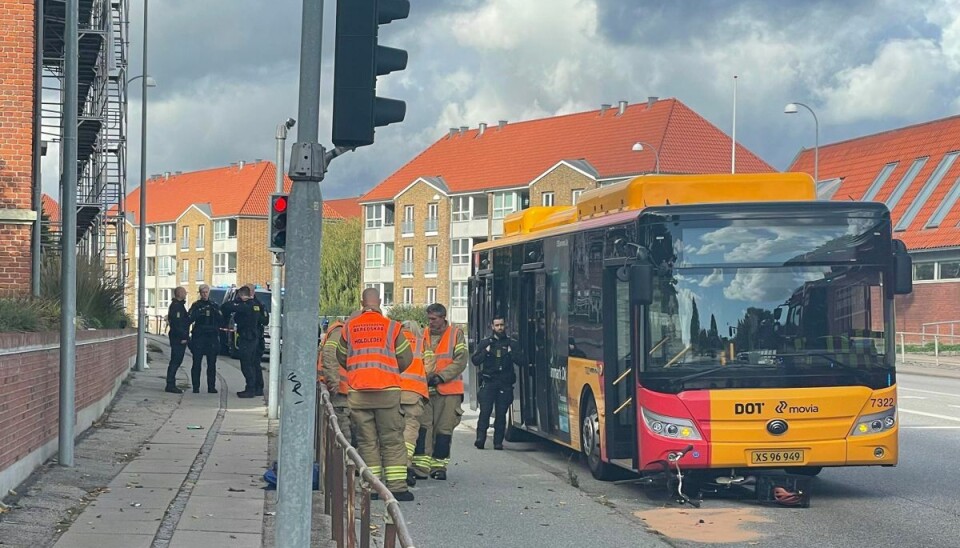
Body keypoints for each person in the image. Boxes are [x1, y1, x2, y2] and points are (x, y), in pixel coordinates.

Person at [336, 288, 414, 501]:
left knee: (367, 441)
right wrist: (388, 370)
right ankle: (397, 487)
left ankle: (371, 487)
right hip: (387, 393)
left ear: (362, 302)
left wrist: (358, 371)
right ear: (379, 301)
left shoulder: (349, 328)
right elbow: (406, 358)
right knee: (392, 439)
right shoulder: (392, 328)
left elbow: (341, 357)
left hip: (359, 394)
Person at [418, 303, 468, 481]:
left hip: (448, 390)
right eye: (429, 319)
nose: (430, 322)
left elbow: (460, 361)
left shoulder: (456, 334)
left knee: (443, 430)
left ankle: (439, 466)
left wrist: (440, 377)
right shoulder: (423, 335)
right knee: (423, 429)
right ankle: (421, 467)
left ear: (443, 317)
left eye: (434, 319)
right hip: (425, 389)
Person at [471, 316, 522, 450]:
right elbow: (475, 360)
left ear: (505, 326)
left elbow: (522, 361)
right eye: (497, 325)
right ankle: (480, 438)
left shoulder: (512, 343)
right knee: (485, 412)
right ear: (492, 327)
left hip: (504, 383)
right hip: (489, 382)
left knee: (501, 414)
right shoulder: (486, 343)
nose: (500, 328)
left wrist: (512, 354)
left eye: (502, 325)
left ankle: (498, 442)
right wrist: (485, 352)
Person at [222, 286, 268, 398]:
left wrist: (236, 302)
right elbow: (264, 320)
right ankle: (257, 387)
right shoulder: (257, 305)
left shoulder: (245, 305)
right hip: (255, 337)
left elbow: (225, 306)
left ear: (241, 295)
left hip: (247, 338)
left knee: (247, 364)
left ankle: (250, 388)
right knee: (254, 363)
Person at [399, 320, 428, 486]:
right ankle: (406, 464)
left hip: (393, 392)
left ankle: (392, 466)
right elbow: (430, 365)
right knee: (410, 430)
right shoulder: (421, 343)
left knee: (394, 430)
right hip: (414, 392)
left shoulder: (393, 343)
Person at [318, 314, 352, 441]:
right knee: (343, 431)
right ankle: (345, 458)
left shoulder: (339, 332)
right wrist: (334, 384)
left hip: (343, 388)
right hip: (341, 389)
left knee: (343, 428)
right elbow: (329, 355)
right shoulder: (340, 333)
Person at [188, 284, 222, 394]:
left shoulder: (214, 305)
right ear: (200, 293)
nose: (205, 294)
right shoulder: (196, 305)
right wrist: (199, 312)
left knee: (212, 364)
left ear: (209, 293)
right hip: (199, 337)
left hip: (211, 337)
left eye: (206, 292)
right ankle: (196, 386)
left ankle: (211, 387)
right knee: (196, 363)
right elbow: (190, 319)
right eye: (202, 292)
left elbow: (221, 320)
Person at [165, 286, 191, 394]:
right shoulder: (176, 307)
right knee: (175, 360)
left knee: (176, 361)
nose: (186, 294)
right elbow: (177, 324)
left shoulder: (179, 306)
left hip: (178, 337)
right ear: (179, 293)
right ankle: (170, 384)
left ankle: (171, 383)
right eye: (184, 292)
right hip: (178, 339)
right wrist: (183, 337)